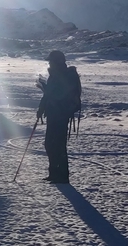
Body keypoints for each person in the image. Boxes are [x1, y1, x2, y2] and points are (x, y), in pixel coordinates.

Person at [36, 50, 81, 184]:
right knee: (50, 144)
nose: (49, 63)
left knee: (59, 145)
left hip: (61, 114)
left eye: (51, 61)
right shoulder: (54, 75)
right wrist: (41, 109)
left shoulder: (67, 76)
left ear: (57, 62)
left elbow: (59, 95)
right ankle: (54, 173)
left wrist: (45, 88)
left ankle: (62, 175)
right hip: (52, 113)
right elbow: (48, 95)